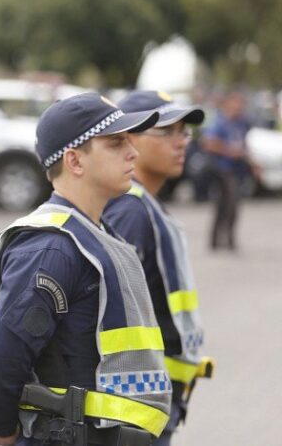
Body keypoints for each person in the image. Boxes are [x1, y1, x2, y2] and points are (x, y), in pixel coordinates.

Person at [0, 93, 171, 445]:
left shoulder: (98, 234)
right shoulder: (52, 247)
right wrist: (1, 430)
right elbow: (2, 358)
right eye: (115, 143)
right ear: (75, 161)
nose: (133, 152)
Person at [103, 90, 213, 446]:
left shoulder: (145, 205)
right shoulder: (129, 210)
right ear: (130, 138)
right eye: (167, 131)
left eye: (184, 132)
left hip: (158, 400)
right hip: (138, 405)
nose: (181, 142)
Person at [200, 91, 253, 251]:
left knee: (229, 205)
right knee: (228, 202)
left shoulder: (242, 122)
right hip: (222, 168)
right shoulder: (219, 122)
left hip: (238, 169)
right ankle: (217, 240)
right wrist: (229, 151)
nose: (238, 108)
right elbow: (208, 143)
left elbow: (245, 142)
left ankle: (227, 239)